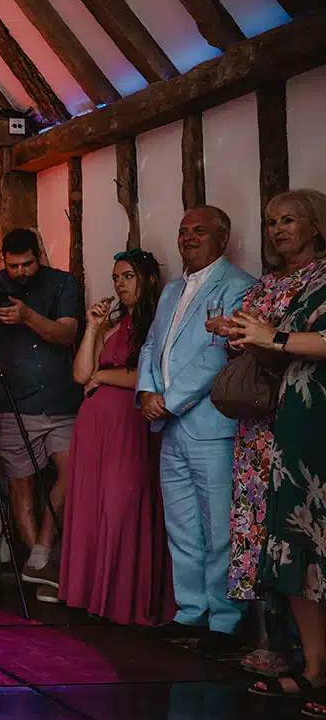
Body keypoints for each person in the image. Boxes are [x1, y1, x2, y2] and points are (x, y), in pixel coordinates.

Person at [137, 206, 257, 654]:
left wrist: (167, 402)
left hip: (211, 426)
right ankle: (189, 612)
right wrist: (147, 392)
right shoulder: (170, 291)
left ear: (221, 239)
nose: (187, 238)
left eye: (199, 231)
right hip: (169, 426)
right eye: (183, 231)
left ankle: (224, 620)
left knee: (219, 526)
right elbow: (152, 344)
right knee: (182, 525)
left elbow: (218, 356)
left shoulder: (241, 287)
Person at [223, 230, 326, 717]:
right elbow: (279, 349)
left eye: (292, 221)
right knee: (296, 545)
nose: (281, 230)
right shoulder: (307, 281)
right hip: (295, 428)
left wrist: (277, 336)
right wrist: (251, 338)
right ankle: (314, 670)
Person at [0, 228, 83, 599]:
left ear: (38, 257)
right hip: (11, 404)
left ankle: (40, 555)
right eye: (14, 266)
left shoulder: (62, 284)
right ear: (2, 260)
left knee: (73, 473)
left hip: (61, 400)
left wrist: (27, 316)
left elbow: (65, 335)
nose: (22, 271)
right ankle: (40, 566)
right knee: (21, 483)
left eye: (28, 263)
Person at [57, 249, 174, 626]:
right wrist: (92, 327)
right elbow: (79, 375)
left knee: (122, 504)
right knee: (94, 504)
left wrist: (104, 377)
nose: (120, 284)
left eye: (128, 276)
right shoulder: (112, 325)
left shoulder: (158, 322)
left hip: (129, 423)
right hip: (94, 424)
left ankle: (127, 598)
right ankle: (94, 595)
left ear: (148, 279)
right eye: (116, 278)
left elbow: (146, 375)